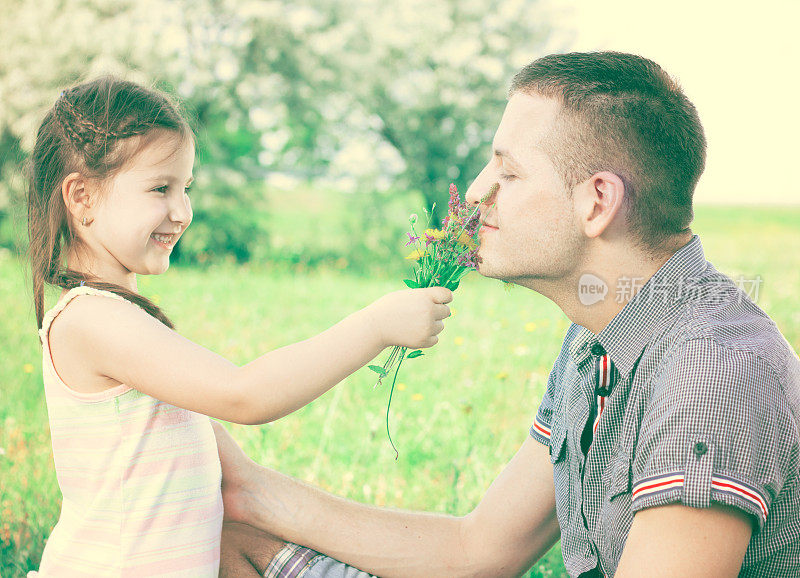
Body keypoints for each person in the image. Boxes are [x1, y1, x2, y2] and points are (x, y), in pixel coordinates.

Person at [213, 52, 800, 577]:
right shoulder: (596, 339)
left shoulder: (711, 374)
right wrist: (250, 492)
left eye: (508, 172)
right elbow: (479, 552)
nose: (473, 194)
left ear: (598, 202)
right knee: (230, 540)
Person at [25, 76, 452, 577]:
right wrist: (375, 326)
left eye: (186, 188)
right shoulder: (91, 319)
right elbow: (245, 395)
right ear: (82, 198)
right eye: (161, 188)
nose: (183, 212)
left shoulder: (117, 317)